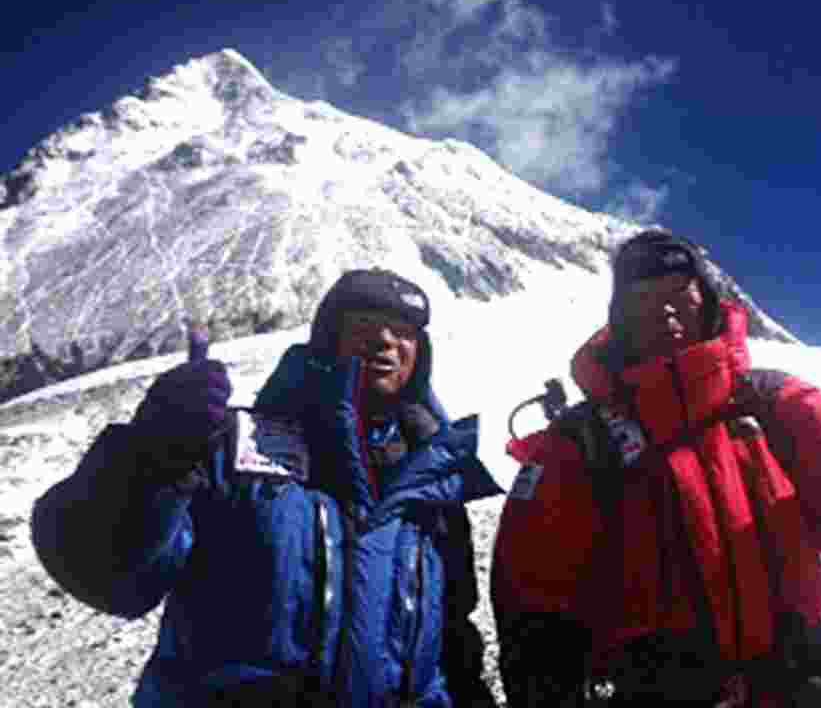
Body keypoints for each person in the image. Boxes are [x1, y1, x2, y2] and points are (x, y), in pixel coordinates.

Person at [491, 230, 821, 707]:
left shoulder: (776, 403)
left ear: (706, 300)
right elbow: (533, 600)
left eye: (680, 293)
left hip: (794, 681)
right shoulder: (579, 442)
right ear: (620, 317)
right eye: (645, 297)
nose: (665, 309)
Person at [31, 268, 501, 708]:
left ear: (420, 355)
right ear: (326, 342)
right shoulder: (229, 447)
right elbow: (112, 579)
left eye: (404, 331)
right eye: (364, 323)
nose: (384, 339)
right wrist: (147, 461)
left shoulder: (435, 484)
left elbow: (452, 637)